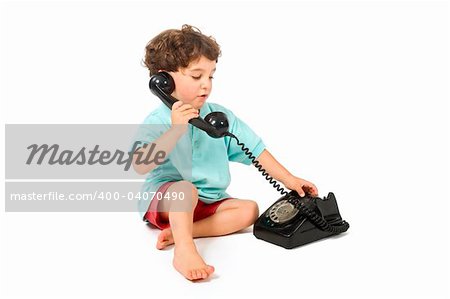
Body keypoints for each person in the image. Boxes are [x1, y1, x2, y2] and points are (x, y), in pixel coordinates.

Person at [132, 24, 318, 281]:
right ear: (163, 81)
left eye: (210, 76)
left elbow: (255, 149)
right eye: (196, 76)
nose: (205, 85)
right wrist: (175, 131)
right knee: (185, 189)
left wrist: (290, 179)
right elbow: (141, 165)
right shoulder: (157, 120)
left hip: (208, 201)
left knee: (249, 211)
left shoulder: (218, 116)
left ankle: (182, 232)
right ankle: (185, 250)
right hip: (168, 199)